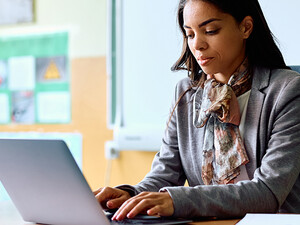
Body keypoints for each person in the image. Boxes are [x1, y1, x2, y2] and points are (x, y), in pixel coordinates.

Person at [94, 0, 300, 220]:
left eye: (210, 31)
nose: (197, 45)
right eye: (190, 34)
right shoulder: (186, 93)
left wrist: (178, 200)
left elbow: (268, 192)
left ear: (246, 27)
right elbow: (165, 175)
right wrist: (130, 195)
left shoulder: (288, 91)